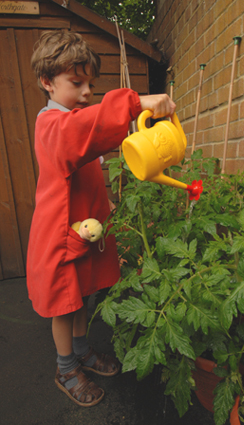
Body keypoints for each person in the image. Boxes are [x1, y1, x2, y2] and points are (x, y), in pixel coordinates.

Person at [27, 29, 176, 408]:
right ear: (47, 82)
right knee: (65, 304)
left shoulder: (75, 123)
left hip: (83, 231)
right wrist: (134, 102)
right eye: (76, 83)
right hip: (61, 234)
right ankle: (65, 367)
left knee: (83, 296)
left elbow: (92, 141)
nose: (86, 92)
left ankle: (82, 353)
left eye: (90, 84)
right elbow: (82, 130)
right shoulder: (52, 125)